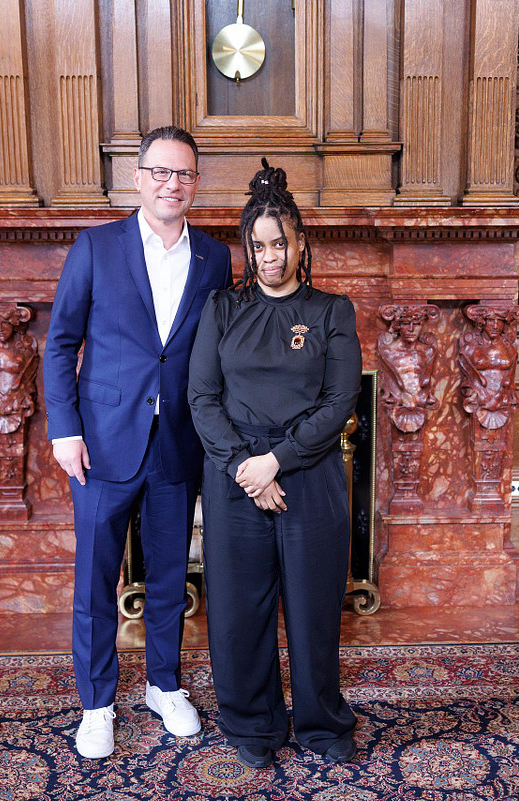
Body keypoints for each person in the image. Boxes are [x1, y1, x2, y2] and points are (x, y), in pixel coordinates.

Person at [43, 126, 232, 759]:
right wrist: (65, 430)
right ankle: (97, 704)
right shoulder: (96, 248)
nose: (171, 184)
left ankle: (163, 684)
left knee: (170, 573)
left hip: (179, 442)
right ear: (138, 177)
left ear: (196, 184)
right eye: (160, 172)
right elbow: (62, 342)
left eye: (183, 174)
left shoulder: (215, 258)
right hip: (101, 443)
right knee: (95, 578)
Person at [188, 160, 362, 768]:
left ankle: (319, 724)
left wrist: (277, 462)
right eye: (259, 245)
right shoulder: (222, 309)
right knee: (239, 611)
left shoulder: (332, 312)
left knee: (314, 610)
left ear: (301, 242)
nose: (270, 256)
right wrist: (247, 468)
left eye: (280, 242)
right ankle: (253, 727)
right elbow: (202, 397)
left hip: (308, 476)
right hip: (236, 477)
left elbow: (340, 401)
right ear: (247, 248)